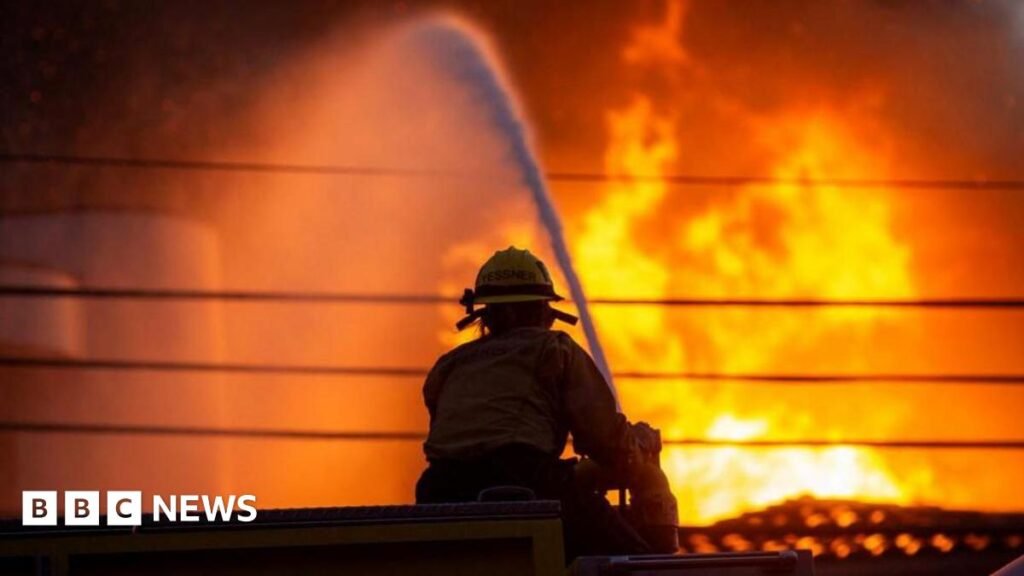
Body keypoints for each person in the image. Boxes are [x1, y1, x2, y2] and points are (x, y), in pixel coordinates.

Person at [415, 246, 678, 558]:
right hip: (529, 485)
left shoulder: (449, 365)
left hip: (440, 494)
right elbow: (605, 441)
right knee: (632, 560)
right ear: (541, 310)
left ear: (484, 314)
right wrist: (639, 446)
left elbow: (454, 434)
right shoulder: (556, 350)